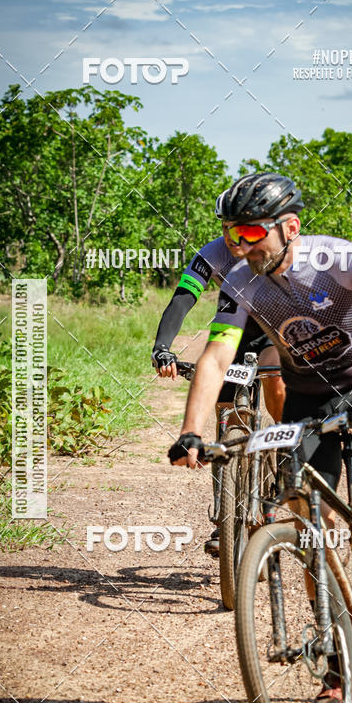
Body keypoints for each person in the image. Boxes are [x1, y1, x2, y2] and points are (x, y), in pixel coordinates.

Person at [168, 171, 352, 703]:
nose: (239, 247)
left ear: (289, 227)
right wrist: (190, 430)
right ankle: (336, 662)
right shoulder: (242, 282)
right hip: (310, 396)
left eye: (251, 235)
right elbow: (217, 357)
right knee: (308, 523)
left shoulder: (335, 259)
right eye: (232, 236)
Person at [151, 186, 286, 554]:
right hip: (234, 333)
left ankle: (286, 454)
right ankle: (223, 519)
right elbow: (183, 298)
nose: (231, 236)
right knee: (226, 416)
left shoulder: (272, 249)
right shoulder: (211, 254)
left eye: (239, 227)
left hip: (275, 331)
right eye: (226, 227)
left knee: (275, 382)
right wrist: (163, 347)